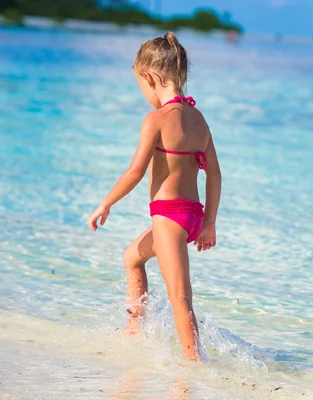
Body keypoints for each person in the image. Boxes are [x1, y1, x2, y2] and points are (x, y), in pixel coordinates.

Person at [87, 32, 222, 361]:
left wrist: (106, 203)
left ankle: (194, 364)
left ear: (148, 77)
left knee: (180, 296)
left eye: (140, 84)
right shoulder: (199, 119)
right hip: (191, 215)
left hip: (169, 217)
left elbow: (134, 172)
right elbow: (214, 174)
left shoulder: (156, 120)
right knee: (132, 257)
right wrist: (208, 223)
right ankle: (135, 332)